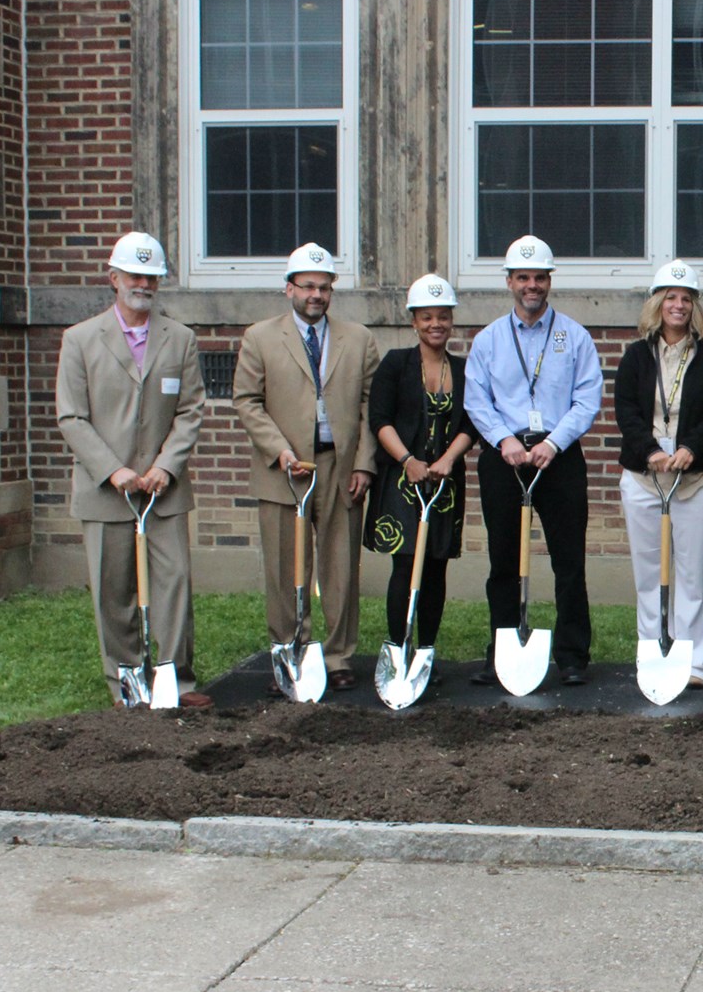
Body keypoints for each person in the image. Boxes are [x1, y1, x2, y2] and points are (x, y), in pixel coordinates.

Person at [55, 231, 212, 709]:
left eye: (151, 276)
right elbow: (71, 417)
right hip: (107, 491)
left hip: (164, 489)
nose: (143, 283)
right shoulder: (80, 340)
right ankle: (127, 685)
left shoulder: (180, 339)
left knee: (174, 583)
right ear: (114, 278)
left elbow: (190, 409)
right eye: (134, 274)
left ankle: (175, 681)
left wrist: (166, 465)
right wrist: (113, 470)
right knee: (113, 590)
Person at [233, 242, 380, 694]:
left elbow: (372, 406)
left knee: (340, 565)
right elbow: (247, 401)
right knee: (285, 566)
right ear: (289, 290)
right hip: (285, 468)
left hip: (340, 464)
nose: (316, 295)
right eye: (307, 287)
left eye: (324, 287)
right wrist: (277, 449)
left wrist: (364, 464)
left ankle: (337, 656)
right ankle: (290, 651)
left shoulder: (358, 339)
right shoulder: (259, 338)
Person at [464, 234, 604, 686]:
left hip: (557, 457)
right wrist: (504, 440)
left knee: (568, 559)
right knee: (503, 559)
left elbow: (587, 398)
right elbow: (477, 400)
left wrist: (554, 442)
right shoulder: (488, 340)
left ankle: (572, 655)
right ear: (509, 282)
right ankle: (502, 650)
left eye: (540, 277)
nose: (532, 285)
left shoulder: (574, 336)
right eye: (523, 277)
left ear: (549, 281)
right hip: (504, 456)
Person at [613, 260, 703, 689]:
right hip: (644, 481)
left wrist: (690, 448)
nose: (678, 305)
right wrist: (649, 450)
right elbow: (626, 411)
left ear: (695, 307)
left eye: (686, 299)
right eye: (670, 297)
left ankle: (695, 663)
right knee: (649, 575)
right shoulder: (636, 355)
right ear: (657, 303)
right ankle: (653, 654)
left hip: (695, 481)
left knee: (692, 575)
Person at [363, 274, 476, 677]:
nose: (435, 325)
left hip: (445, 482)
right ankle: (398, 647)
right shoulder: (395, 363)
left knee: (437, 567)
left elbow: (471, 421)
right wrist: (408, 459)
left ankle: (426, 649)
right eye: (427, 317)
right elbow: (379, 418)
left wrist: (448, 459)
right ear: (414, 321)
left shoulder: (464, 368)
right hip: (403, 479)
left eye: (443, 317)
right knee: (406, 563)